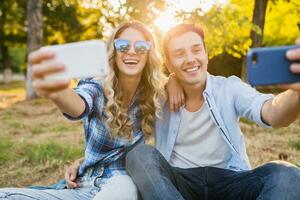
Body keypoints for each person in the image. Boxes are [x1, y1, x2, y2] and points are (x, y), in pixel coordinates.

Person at [126, 24, 300, 200]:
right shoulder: (159, 96)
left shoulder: (229, 88)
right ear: (169, 64)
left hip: (231, 183)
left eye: (196, 50)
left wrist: (296, 92)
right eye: (179, 54)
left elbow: (272, 112)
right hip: (179, 186)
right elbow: (129, 88)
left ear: (206, 54)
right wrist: (170, 81)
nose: (190, 59)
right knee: (139, 155)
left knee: (287, 174)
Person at [0, 21, 166, 200]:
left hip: (120, 185)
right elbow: (79, 105)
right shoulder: (97, 85)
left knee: (125, 187)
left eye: (141, 46)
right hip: (84, 184)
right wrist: (58, 92)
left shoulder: (155, 94)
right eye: (123, 45)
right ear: (113, 51)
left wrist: (176, 86)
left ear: (149, 53)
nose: (132, 51)